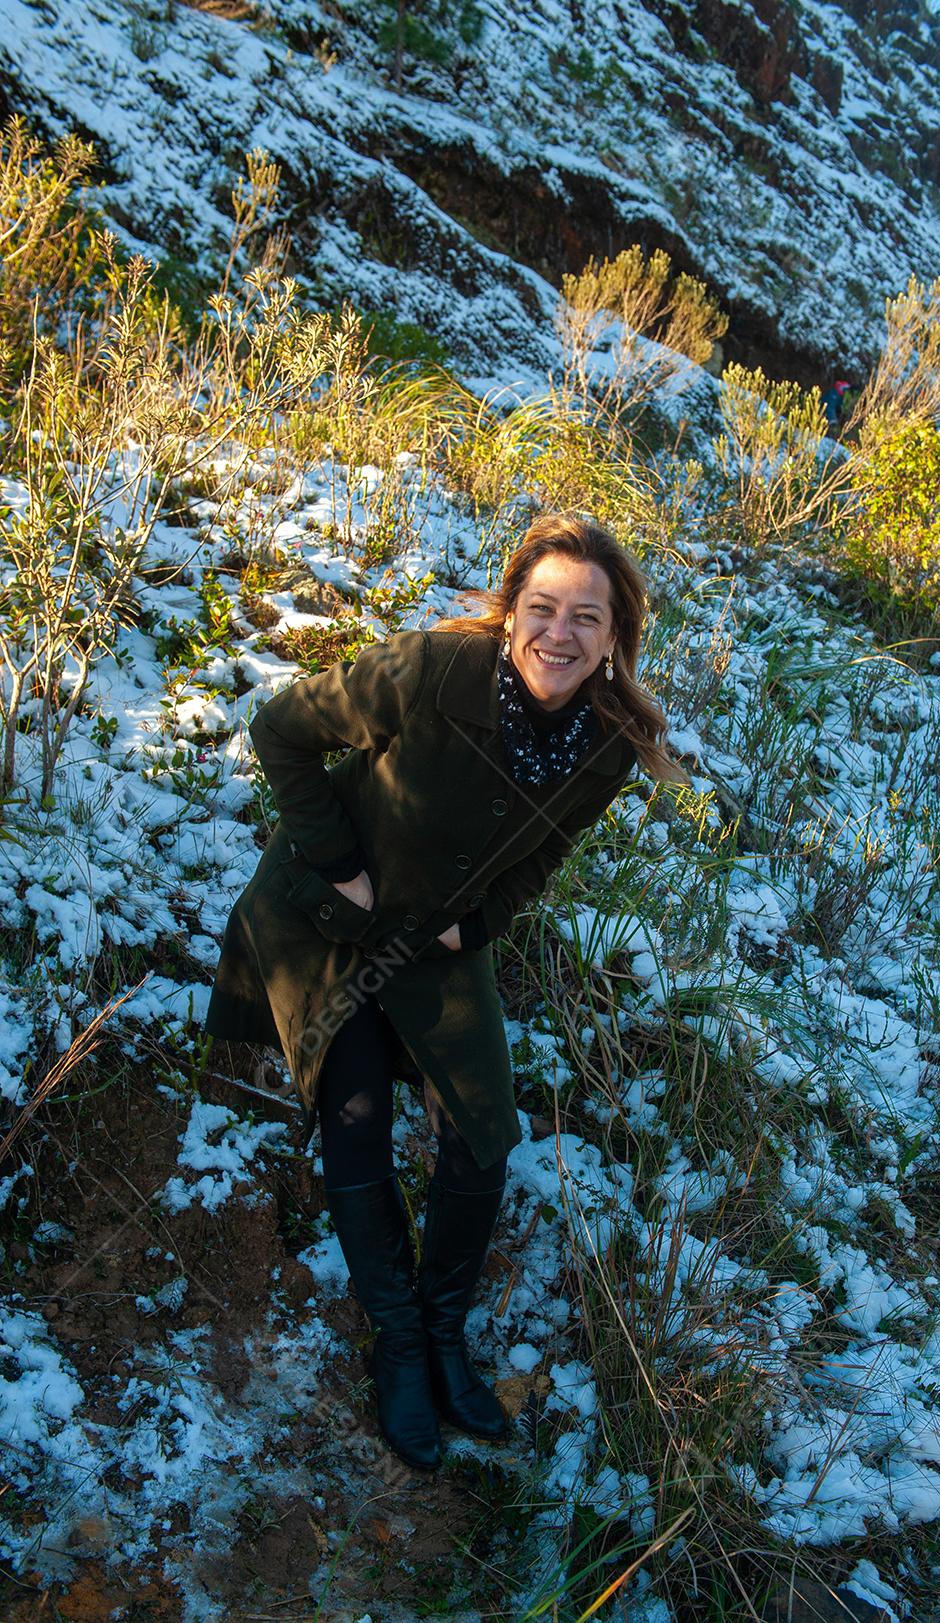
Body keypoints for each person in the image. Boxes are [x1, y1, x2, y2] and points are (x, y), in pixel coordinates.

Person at [203, 512, 688, 1472]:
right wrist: (339, 860)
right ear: (511, 615)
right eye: (541, 608)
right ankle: (396, 1341)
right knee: (356, 1117)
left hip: (438, 938)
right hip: (325, 917)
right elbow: (281, 728)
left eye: (586, 617)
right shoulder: (430, 671)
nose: (560, 633)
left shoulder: (610, 742)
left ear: (615, 637)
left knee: (481, 1134)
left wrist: (484, 922)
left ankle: (439, 1333)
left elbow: (543, 856)